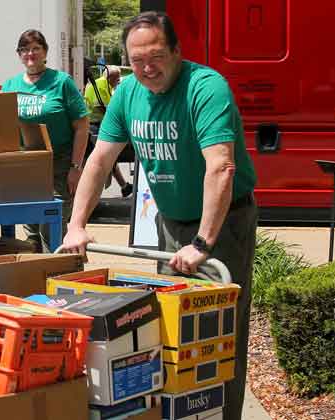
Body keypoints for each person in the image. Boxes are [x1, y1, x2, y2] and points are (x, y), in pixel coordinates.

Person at [59, 12, 258, 420]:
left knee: (219, 335)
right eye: (137, 59)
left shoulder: (205, 88)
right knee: (170, 328)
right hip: (170, 222)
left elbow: (221, 167)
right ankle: (180, 412)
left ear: (177, 52)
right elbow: (99, 161)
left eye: (157, 56)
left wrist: (203, 242)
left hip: (222, 224)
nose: (148, 68)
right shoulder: (128, 93)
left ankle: (224, 415)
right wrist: (77, 224)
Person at [1, 29, 90, 253]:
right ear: (19, 54)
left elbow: (82, 126)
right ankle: (36, 276)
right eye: (25, 49)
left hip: (59, 163)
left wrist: (76, 167)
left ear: (45, 52)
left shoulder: (61, 82)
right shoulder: (10, 86)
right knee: (30, 229)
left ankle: (61, 276)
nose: (30, 54)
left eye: (35, 48)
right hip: (27, 164)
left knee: (53, 227)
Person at [83, 65, 132, 197]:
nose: (117, 82)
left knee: (109, 158)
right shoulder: (101, 84)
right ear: (110, 77)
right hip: (97, 124)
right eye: (116, 80)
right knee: (107, 157)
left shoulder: (98, 84)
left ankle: (124, 186)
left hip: (93, 123)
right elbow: (106, 107)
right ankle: (123, 186)